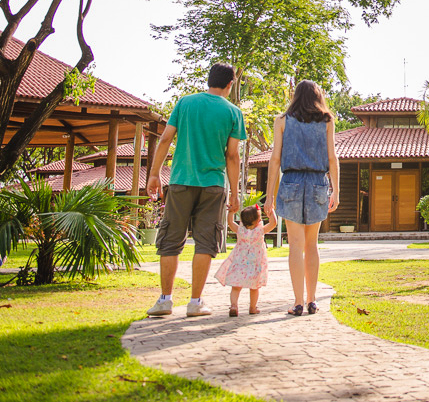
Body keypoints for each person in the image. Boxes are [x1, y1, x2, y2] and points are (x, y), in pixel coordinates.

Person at [145, 63, 246, 318]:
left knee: (170, 241)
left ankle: (165, 301)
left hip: (180, 181)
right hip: (213, 185)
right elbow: (232, 156)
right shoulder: (233, 112)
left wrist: (154, 174)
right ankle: (195, 302)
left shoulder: (185, 103)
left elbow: (165, 139)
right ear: (230, 84)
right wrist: (235, 193)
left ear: (209, 80)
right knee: (205, 243)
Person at [265, 80, 339, 316]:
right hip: (318, 182)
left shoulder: (282, 120)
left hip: (291, 182)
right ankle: (312, 301)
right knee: (312, 244)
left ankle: (298, 302)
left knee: (295, 245)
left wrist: (269, 197)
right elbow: (332, 158)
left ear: (295, 96)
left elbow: (275, 159)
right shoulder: (327, 120)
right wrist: (336, 190)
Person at [215, 204, 273, 316]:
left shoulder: (240, 230)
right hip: (254, 264)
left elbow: (230, 222)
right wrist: (271, 212)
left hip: (239, 264)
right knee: (254, 288)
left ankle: (233, 306)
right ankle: (252, 307)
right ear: (258, 220)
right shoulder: (260, 231)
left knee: (236, 287)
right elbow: (273, 224)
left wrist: (231, 212)